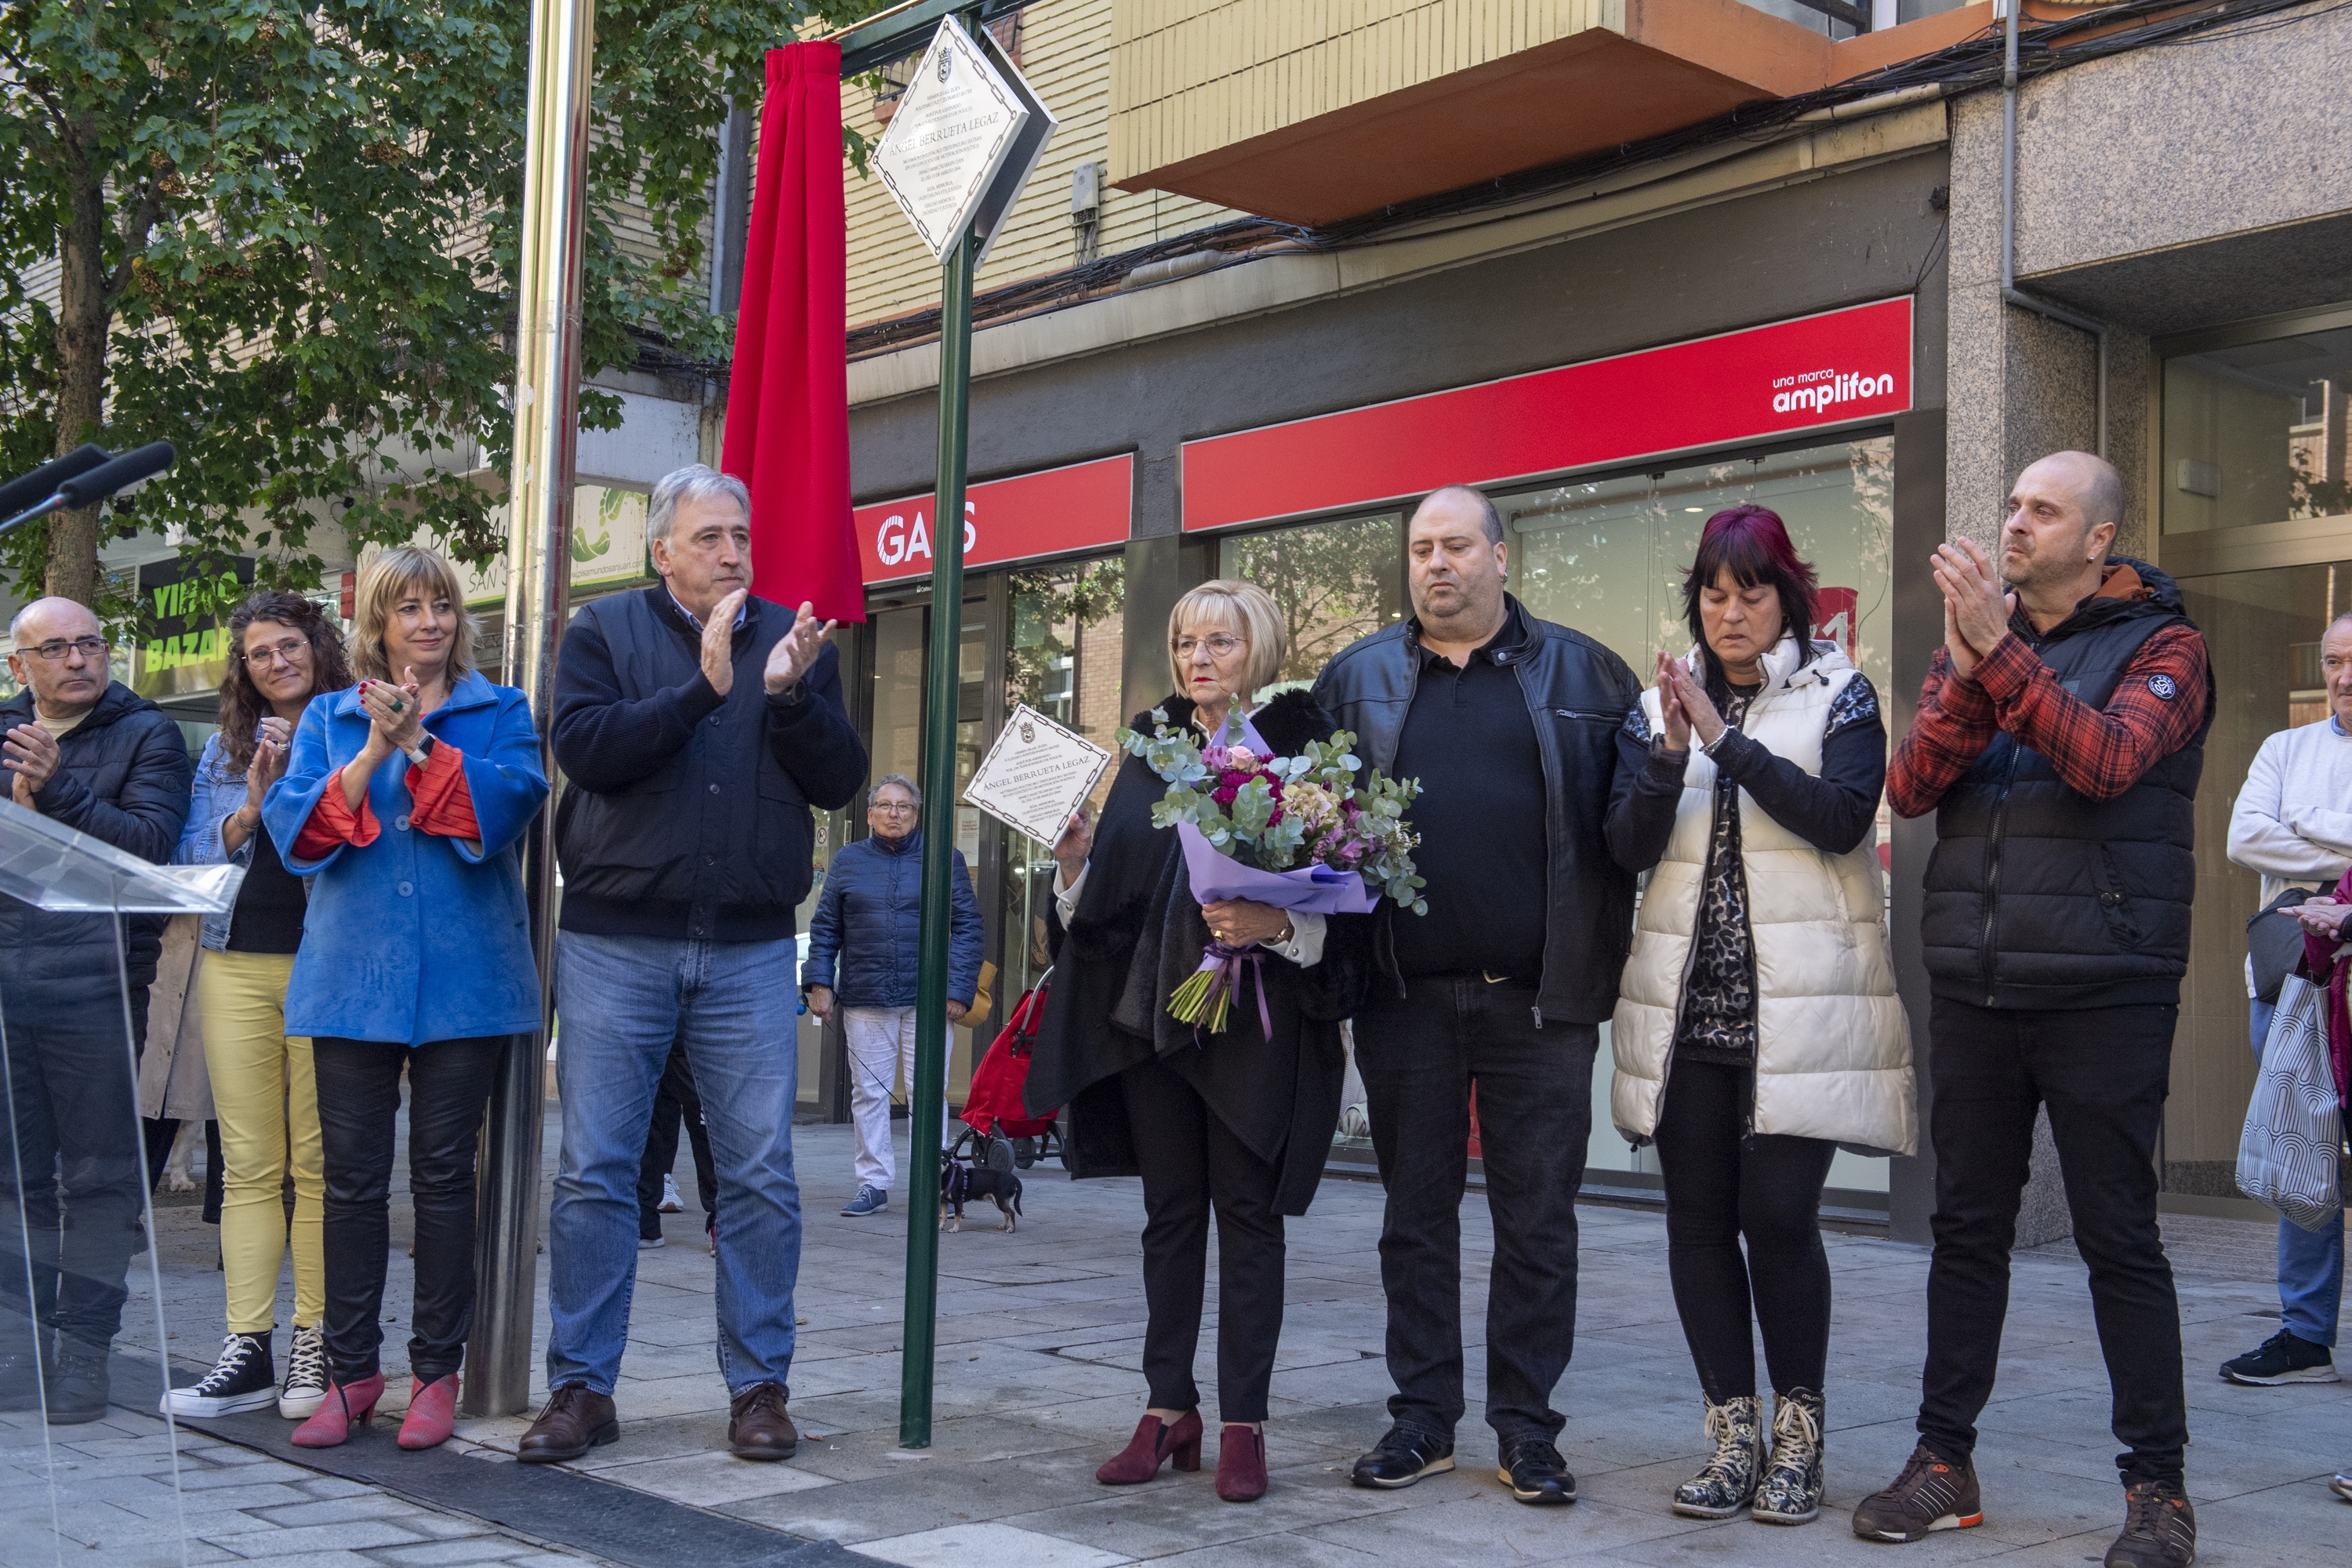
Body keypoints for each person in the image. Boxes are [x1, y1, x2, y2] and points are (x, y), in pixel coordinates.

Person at [1857, 452, 2211, 1568]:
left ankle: (2159, 1490)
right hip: (1975, 976)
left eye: (2041, 510)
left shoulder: (2168, 646)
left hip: (2107, 982)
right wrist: (1975, 664)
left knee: (2119, 1238)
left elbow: (2109, 763)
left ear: (2099, 537)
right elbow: (1912, 785)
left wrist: (1997, 653)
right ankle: (1942, 1462)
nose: (2013, 523)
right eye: (2010, 504)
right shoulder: (1977, 643)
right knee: (1967, 1231)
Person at [524, 463, 863, 1465]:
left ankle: (759, 1387)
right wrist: (699, 691)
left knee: (759, 1171)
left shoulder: (790, 639)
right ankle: (583, 1388)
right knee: (595, 1172)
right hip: (615, 941)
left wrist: (790, 697)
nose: (730, 552)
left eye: (739, 535)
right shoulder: (601, 632)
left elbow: (842, 779)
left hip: (753, 945)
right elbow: (584, 749)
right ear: (661, 551)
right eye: (708, 536)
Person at [1311, 486, 1639, 1507]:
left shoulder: (1587, 672)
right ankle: (1422, 1419)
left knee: (1538, 1220)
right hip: (1402, 996)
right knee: (1414, 1217)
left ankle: (1528, 1429)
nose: (1436, 563)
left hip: (1540, 1003)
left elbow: (1629, 837)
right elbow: (1315, 835)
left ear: (1502, 555)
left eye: (1456, 545)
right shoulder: (1353, 679)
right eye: (1421, 548)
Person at [1026, 579, 1367, 1504]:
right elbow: (1103, 903)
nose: (1198, 658)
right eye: (1184, 642)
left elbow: (1347, 904)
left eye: (1217, 640)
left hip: (1254, 1023)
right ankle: (1168, 1405)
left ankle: (1245, 1419)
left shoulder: (1306, 745)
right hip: (1153, 1022)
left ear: (1255, 645)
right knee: (1170, 1215)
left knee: (1247, 1218)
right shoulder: (1151, 747)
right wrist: (1072, 865)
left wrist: (1274, 924)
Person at [1604, 505, 1912, 1526]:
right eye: (1713, 592)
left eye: (1751, 591)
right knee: (1696, 1222)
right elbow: (1627, 848)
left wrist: (1726, 740)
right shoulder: (1659, 710)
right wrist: (1667, 751)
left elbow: (1838, 820)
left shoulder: (1841, 693)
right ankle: (1731, 1434)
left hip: (1801, 1014)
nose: (1730, 612)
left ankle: (1798, 1438)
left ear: (1787, 595)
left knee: (1777, 1218)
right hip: (1691, 1015)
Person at [267, 547, 549, 1452]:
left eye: (441, 606)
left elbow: (510, 806)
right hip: (352, 983)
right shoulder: (326, 715)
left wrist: (422, 743)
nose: (427, 622)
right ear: (378, 625)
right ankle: (351, 1373)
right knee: (347, 1183)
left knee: (440, 1178)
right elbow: (297, 830)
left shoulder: (500, 710)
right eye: (408, 608)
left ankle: (436, 1371)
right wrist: (376, 749)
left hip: (466, 986)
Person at [164, 590, 354, 1422]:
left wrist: (304, 779)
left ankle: (315, 1338)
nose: (277, 662)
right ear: (242, 669)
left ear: (319, 644)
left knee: (316, 1164)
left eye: (290, 645)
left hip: (327, 958)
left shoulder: (356, 721)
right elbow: (192, 860)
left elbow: (364, 837)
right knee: (246, 1164)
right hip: (234, 960)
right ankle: (247, 1347)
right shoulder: (220, 750)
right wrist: (250, 800)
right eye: (259, 654)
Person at [0, 597, 192, 1423]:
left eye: (90, 643)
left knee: (102, 1176)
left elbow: (149, 845)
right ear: (20, 666)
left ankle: (84, 1353)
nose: (78, 659)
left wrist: (57, 785)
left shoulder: (149, 733)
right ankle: (21, 1346)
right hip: (7, 985)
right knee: (13, 1177)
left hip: (98, 984)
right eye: (57, 648)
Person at [2220, 610, 2352, 1387]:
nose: (2344, 674)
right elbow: (2245, 837)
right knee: (2304, 1154)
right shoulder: (2285, 748)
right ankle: (2305, 1333)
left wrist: (2312, 844)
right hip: (2290, 983)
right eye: (2334, 658)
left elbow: (2280, 839)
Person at [801, 773, 982, 1218]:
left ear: (916, 815)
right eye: (885, 806)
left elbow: (968, 928)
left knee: (928, 1092)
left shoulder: (945, 858)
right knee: (868, 1093)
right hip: (866, 997)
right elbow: (826, 928)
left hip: (929, 997)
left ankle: (933, 1179)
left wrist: (958, 990)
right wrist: (819, 983)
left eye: (903, 807)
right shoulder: (847, 860)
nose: (894, 814)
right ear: (869, 815)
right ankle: (873, 1183)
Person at [636, 1040, 717, 1250]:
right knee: (647, 1104)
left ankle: (724, 1218)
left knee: (701, 1105)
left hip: (694, 1015)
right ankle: (644, 1220)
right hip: (647, 1012)